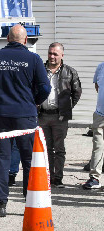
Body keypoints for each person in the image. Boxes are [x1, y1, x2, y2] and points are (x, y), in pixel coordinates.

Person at [0, 25, 51, 217]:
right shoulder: (33, 59)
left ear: (7, 38)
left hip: (1, 115)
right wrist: (33, 101)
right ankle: (30, 203)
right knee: (29, 160)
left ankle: (0, 205)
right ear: (25, 40)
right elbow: (45, 88)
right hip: (25, 116)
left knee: (1, 159)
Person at [39, 43, 81, 188]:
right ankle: (48, 177)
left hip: (60, 117)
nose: (52, 56)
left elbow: (77, 93)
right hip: (42, 116)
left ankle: (58, 178)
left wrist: (66, 108)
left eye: (55, 54)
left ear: (62, 55)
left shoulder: (70, 72)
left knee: (59, 149)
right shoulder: (40, 70)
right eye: (50, 53)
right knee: (46, 148)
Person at [83, 61, 104, 190]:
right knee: (98, 146)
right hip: (100, 114)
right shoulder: (100, 67)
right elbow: (98, 87)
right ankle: (95, 178)